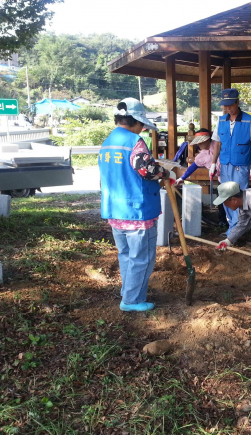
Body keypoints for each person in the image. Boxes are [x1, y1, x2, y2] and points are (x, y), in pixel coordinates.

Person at [98, 97, 175, 312]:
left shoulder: (108, 142)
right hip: (137, 211)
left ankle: (128, 292)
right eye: (142, 124)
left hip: (115, 209)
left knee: (126, 255)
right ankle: (132, 300)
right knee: (142, 258)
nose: (142, 128)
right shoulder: (134, 142)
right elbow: (146, 170)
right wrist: (165, 173)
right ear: (135, 121)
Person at [210, 88, 251, 237]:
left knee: (240, 197)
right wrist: (213, 163)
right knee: (226, 195)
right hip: (225, 165)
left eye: (230, 104)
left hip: (241, 165)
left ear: (237, 102)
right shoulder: (221, 121)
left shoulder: (248, 120)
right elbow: (217, 143)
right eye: (225, 105)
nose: (228, 108)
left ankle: (240, 229)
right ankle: (232, 228)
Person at [174, 128, 228, 226]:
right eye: (198, 142)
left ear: (208, 139)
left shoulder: (218, 144)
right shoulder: (201, 155)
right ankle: (223, 221)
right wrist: (182, 178)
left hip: (231, 175)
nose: (199, 144)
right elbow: (193, 167)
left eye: (201, 142)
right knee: (221, 199)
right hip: (221, 178)